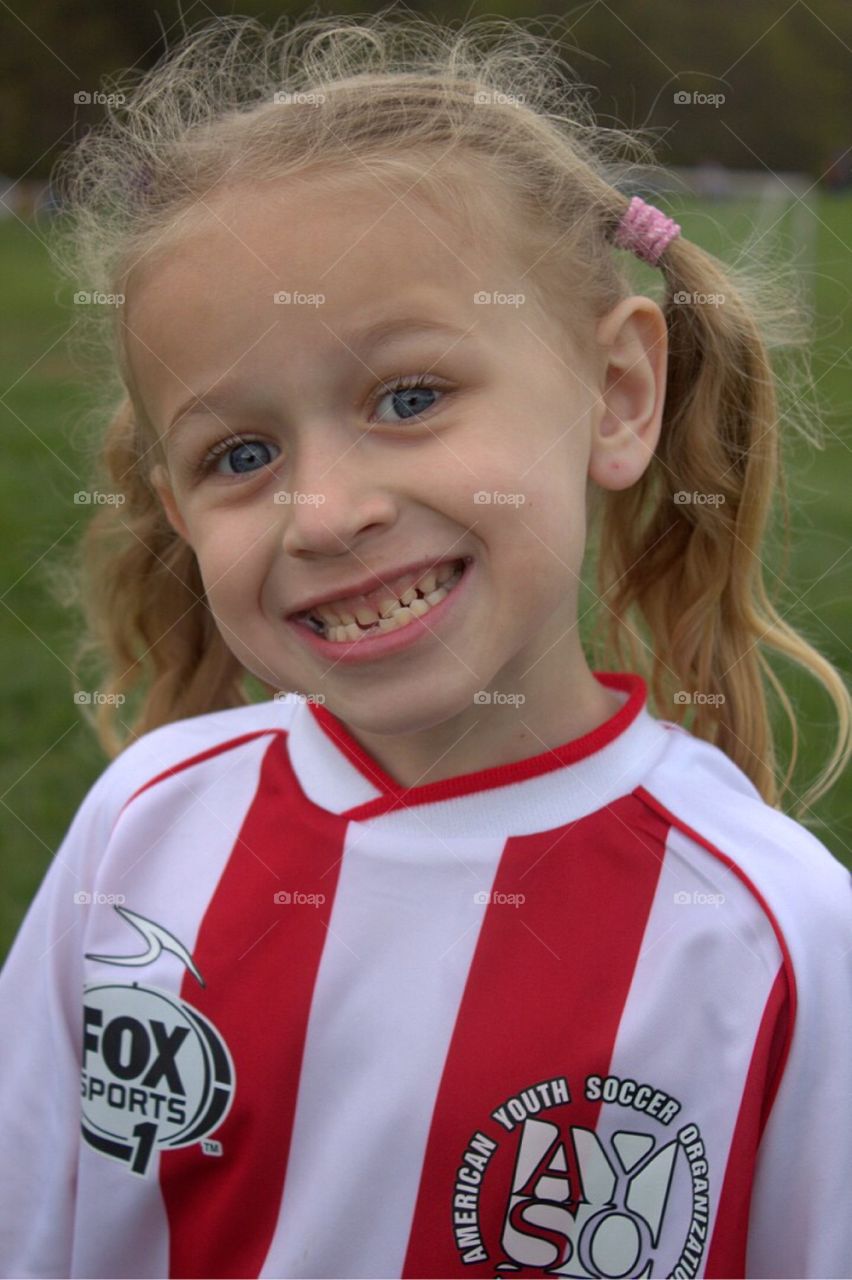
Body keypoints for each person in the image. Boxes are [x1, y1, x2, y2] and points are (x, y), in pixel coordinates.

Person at [2, 12, 851, 1280]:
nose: (328, 511)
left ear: (617, 392)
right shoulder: (137, 829)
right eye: (242, 455)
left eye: (409, 397)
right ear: (178, 511)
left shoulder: (778, 930)